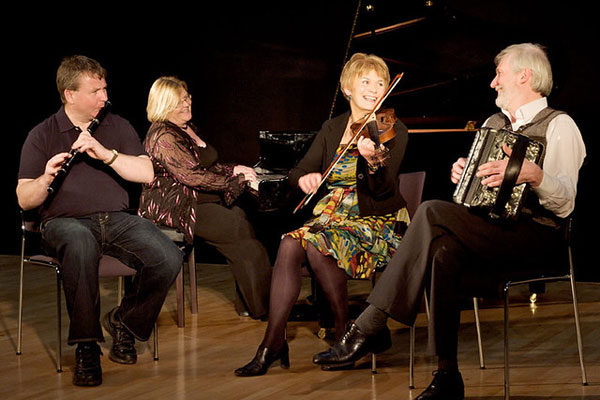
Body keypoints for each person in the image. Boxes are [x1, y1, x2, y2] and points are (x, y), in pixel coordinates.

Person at [312, 43, 586, 399]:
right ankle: (447, 376)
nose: (492, 83)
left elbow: (565, 204)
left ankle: (368, 325)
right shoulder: (493, 124)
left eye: (498, 74)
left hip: (539, 234)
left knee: (429, 210)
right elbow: (476, 192)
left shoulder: (560, 125)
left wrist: (535, 175)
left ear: (524, 76)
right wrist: (466, 173)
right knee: (442, 250)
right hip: (491, 228)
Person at [234, 53, 410, 377]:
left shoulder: (388, 126)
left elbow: (383, 188)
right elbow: (299, 170)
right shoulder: (333, 127)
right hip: (333, 219)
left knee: (316, 243)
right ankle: (273, 343)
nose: (374, 89)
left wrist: (373, 163)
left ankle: (347, 334)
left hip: (376, 220)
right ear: (348, 88)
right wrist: (304, 179)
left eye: (380, 83)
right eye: (366, 82)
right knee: (289, 243)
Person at [16, 55, 183, 387]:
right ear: (70, 94)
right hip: (63, 223)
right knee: (80, 243)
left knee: (168, 256)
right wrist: (46, 177)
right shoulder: (43, 134)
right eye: (95, 91)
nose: (104, 97)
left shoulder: (117, 126)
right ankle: (87, 347)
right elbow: (24, 198)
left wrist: (107, 155)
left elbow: (146, 173)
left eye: (105, 89)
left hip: (118, 221)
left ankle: (124, 323)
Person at [138, 76, 272, 319]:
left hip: (201, 199)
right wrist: (236, 181)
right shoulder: (163, 136)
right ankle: (265, 307)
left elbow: (206, 165)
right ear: (164, 105)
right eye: (179, 102)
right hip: (179, 205)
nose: (187, 104)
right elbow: (191, 176)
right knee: (238, 226)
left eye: (187, 98)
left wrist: (234, 169)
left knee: (242, 224)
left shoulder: (186, 128)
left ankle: (251, 303)